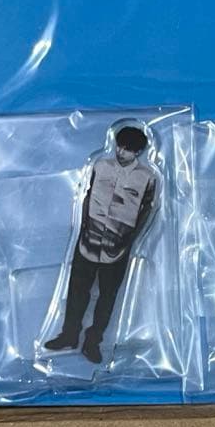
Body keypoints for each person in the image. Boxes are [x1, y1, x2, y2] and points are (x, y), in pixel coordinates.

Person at [45, 124, 158, 363]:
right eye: (119, 146)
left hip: (118, 247)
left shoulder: (147, 177)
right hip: (88, 241)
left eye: (127, 149)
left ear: (138, 152)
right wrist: (83, 227)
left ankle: (93, 342)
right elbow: (87, 195)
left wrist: (131, 239)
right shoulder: (100, 166)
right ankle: (69, 335)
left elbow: (146, 210)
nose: (121, 152)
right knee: (77, 290)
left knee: (107, 297)